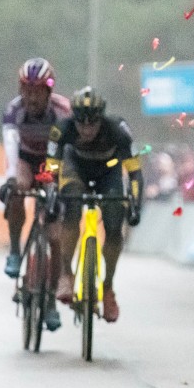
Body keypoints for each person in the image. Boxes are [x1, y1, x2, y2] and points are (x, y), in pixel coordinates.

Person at [45, 87, 143, 324]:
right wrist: (51, 194)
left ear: (102, 119)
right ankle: (66, 275)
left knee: (113, 223)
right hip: (75, 168)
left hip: (108, 172)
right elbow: (52, 167)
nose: (87, 129)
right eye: (81, 124)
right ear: (73, 120)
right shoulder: (62, 128)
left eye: (92, 124)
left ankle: (107, 288)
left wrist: (135, 204)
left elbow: (135, 172)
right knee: (71, 209)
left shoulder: (118, 130)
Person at [0, 57, 71, 332]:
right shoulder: (13, 111)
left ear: (48, 91)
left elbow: (67, 150)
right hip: (27, 159)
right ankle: (16, 250)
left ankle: (50, 301)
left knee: (55, 238)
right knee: (17, 188)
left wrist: (55, 186)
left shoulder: (64, 111)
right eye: (25, 90)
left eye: (36, 91)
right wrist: (10, 181)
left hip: (54, 161)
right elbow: (11, 147)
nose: (30, 97)